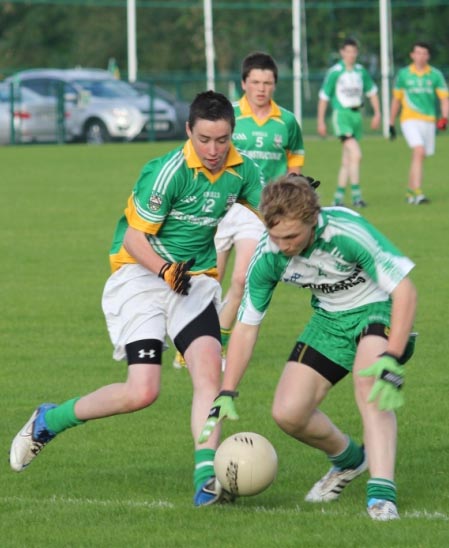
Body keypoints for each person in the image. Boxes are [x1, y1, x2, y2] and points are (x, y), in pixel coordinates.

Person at [9, 90, 265, 507]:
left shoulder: (243, 170)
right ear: (189, 131)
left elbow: (272, 208)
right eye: (204, 139)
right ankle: (48, 420)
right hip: (141, 275)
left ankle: (206, 479)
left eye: (222, 140)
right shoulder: (168, 172)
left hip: (193, 279)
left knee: (207, 375)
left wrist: (296, 200)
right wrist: (164, 270)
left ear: (232, 134)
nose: (214, 150)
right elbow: (133, 237)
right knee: (142, 391)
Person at [199, 174, 417, 521]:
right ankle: (349, 462)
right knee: (288, 413)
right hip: (329, 322)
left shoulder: (345, 232)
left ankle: (381, 495)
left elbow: (405, 290)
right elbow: (246, 327)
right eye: (275, 236)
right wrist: (227, 390)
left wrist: (392, 357)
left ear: (312, 221)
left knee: (369, 383)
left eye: (292, 237)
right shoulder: (268, 255)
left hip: (378, 309)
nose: (283, 245)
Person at [173, 52, 305, 369]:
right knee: (209, 280)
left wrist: (292, 197)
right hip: (218, 206)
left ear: (275, 85)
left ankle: (217, 343)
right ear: (244, 83)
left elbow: (295, 161)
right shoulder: (227, 115)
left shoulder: (287, 121)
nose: (261, 89)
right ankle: (188, 340)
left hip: (258, 210)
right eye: (255, 82)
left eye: (268, 83)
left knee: (242, 279)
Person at [317, 38, 380, 207]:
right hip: (342, 116)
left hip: (356, 116)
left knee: (348, 159)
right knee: (356, 154)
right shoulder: (335, 72)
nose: (351, 55)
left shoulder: (361, 71)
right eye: (348, 51)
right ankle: (357, 196)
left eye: (354, 51)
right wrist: (321, 120)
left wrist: (377, 113)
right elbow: (324, 97)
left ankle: (338, 198)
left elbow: (372, 91)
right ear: (342, 52)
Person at [389, 41, 449, 205]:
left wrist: (444, 117)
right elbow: (396, 100)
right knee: (419, 150)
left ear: (428, 56)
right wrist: (391, 122)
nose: (420, 56)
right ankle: (418, 192)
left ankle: (410, 191)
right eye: (418, 53)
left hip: (428, 121)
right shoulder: (404, 74)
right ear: (412, 55)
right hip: (409, 119)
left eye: (424, 53)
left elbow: (444, 98)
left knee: (420, 156)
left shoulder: (435, 74)